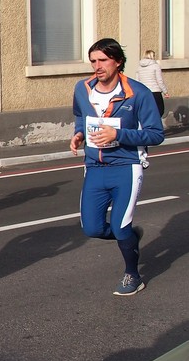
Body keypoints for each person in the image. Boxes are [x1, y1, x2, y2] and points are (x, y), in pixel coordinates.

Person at [70, 38, 164, 296]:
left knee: (120, 226)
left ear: (118, 61)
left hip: (127, 166)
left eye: (102, 60)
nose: (96, 66)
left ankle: (133, 275)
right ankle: (130, 237)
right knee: (92, 228)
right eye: (93, 61)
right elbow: (81, 116)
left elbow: (156, 135)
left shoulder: (138, 93)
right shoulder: (82, 88)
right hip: (94, 167)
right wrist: (79, 134)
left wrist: (118, 135)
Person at [136, 49, 168, 118]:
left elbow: (137, 81)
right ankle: (155, 126)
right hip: (155, 92)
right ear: (152, 56)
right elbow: (159, 81)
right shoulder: (156, 66)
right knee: (159, 111)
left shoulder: (139, 67)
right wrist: (165, 92)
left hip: (144, 92)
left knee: (146, 112)